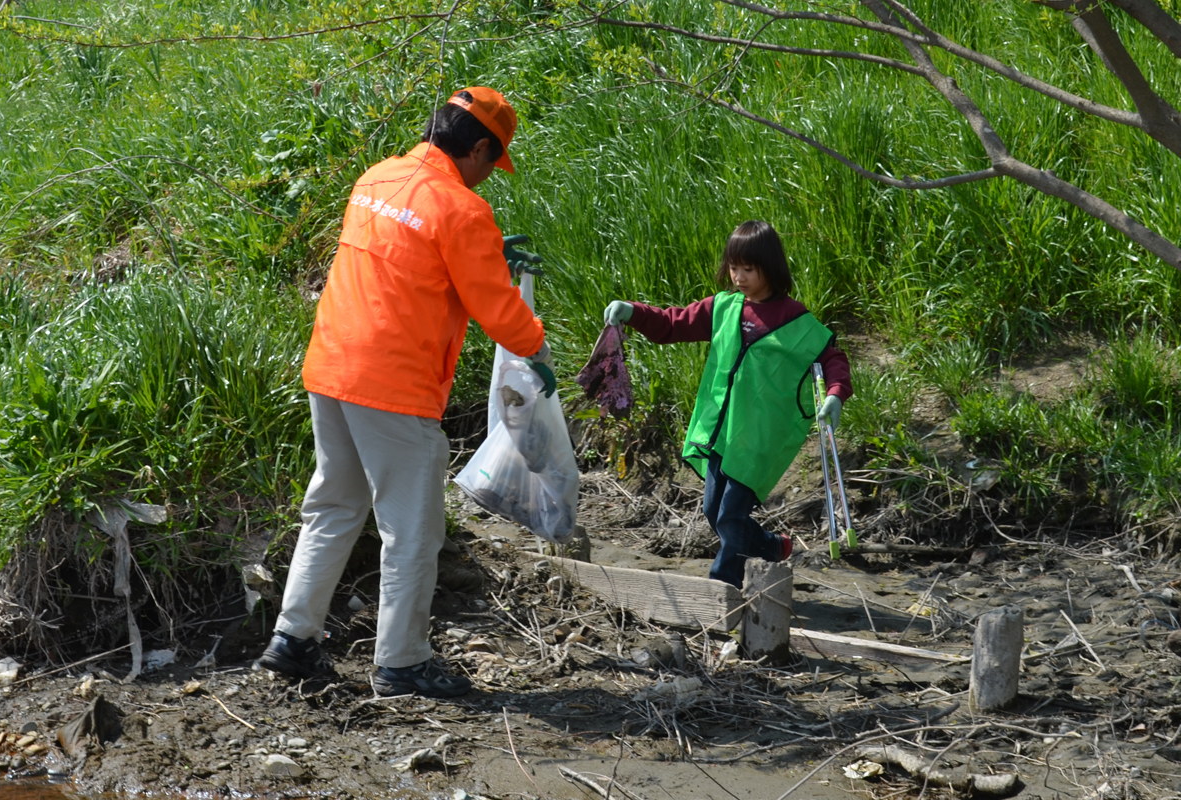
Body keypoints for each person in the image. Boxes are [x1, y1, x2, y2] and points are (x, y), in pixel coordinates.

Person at [257, 86, 555, 698]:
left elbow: (408, 251)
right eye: (489, 167)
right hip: (393, 384)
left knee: (334, 505)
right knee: (412, 530)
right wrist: (537, 350)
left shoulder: (378, 177)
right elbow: (500, 314)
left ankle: (292, 640)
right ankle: (402, 662)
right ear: (476, 149)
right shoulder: (463, 209)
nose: (486, 181)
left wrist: (483, 252)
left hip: (332, 367)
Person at [604, 220, 851, 589]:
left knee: (731, 519)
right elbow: (672, 323)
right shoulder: (723, 308)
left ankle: (723, 592)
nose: (739, 276)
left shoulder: (796, 321)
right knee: (713, 512)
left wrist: (835, 395)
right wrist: (633, 311)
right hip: (720, 432)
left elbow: (832, 359)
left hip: (757, 440)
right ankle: (771, 546)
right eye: (734, 267)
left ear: (771, 267)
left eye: (748, 269)